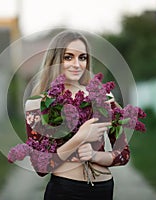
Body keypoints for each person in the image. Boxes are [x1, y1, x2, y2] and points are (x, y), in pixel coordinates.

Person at [24, 30, 130, 200]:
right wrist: (80, 137)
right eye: (68, 57)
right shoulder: (37, 104)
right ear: (55, 60)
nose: (77, 64)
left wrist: (95, 156)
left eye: (82, 57)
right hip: (65, 190)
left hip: (103, 190)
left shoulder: (103, 98)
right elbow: (40, 166)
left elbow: (123, 154)